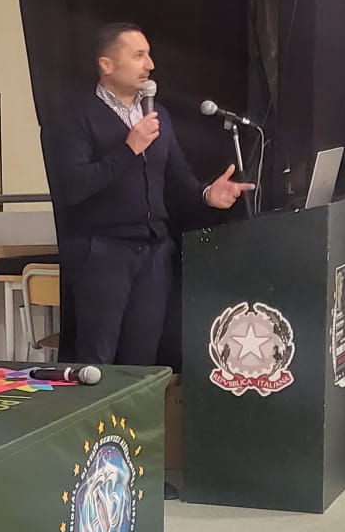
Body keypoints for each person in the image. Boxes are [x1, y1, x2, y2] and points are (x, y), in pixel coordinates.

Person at [41, 22, 254, 365]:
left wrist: (207, 194)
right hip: (102, 253)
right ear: (107, 64)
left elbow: (178, 177)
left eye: (149, 55)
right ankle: (93, 421)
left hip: (153, 253)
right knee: (98, 360)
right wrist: (129, 148)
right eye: (138, 55)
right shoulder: (77, 115)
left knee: (142, 361)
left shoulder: (156, 114)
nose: (149, 64)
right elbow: (74, 186)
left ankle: (137, 422)